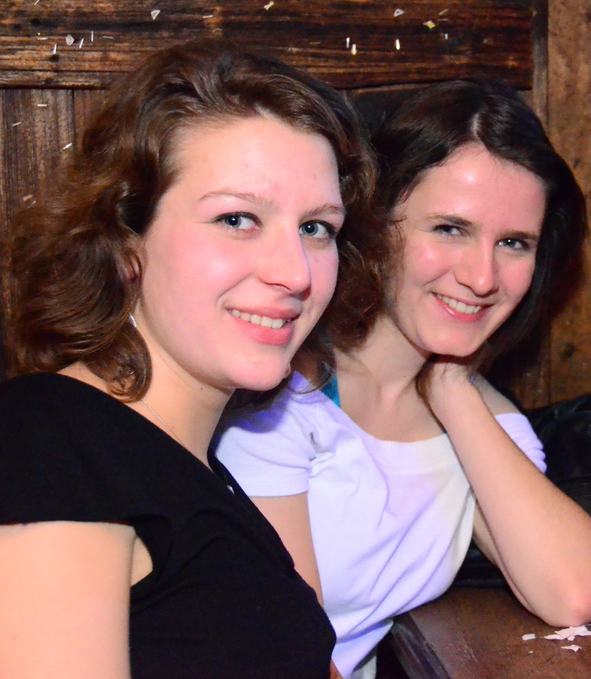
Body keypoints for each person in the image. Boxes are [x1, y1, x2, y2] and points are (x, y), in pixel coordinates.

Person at [0, 39, 375, 678]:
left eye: (316, 228)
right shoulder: (50, 440)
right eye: (237, 219)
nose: (295, 273)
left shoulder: (193, 464)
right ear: (124, 243)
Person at [216, 80, 591, 677]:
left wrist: (451, 387)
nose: (483, 277)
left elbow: (573, 593)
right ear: (375, 225)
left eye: (513, 242)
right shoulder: (281, 402)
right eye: (450, 228)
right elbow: (285, 652)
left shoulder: (477, 415)